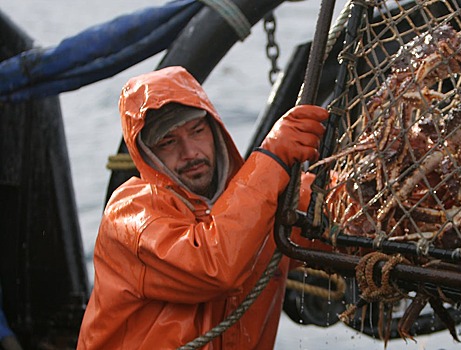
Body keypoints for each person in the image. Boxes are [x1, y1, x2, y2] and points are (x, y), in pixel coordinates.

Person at [77, 66, 329, 349]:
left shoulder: (260, 196)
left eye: (197, 131)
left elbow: (340, 227)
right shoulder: (129, 214)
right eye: (168, 142)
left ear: (215, 131)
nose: (190, 152)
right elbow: (213, 267)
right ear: (147, 153)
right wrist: (273, 156)